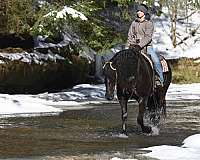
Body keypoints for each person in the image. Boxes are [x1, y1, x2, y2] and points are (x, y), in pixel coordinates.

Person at [127, 4, 164, 86]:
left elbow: (148, 37)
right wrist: (131, 44)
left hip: (147, 47)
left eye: (141, 11)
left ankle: (159, 79)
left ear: (144, 12)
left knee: (156, 61)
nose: (139, 12)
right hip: (134, 47)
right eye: (138, 11)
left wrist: (139, 45)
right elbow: (130, 35)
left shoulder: (149, 23)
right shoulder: (134, 23)